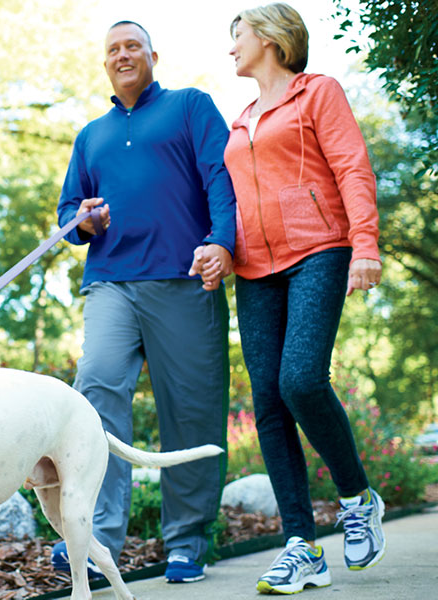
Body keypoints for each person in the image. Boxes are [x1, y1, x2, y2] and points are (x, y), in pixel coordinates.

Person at [196, 2, 384, 595]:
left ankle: (357, 496)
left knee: (301, 379)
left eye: (238, 35)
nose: (231, 47)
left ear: (272, 37)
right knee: (270, 403)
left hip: (319, 250)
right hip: (255, 270)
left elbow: (352, 167)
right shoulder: (241, 118)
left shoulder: (317, 93)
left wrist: (365, 244)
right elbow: (227, 202)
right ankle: (300, 546)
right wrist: (221, 249)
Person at [54, 20, 236, 584]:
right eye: (113, 49)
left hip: (184, 279)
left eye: (132, 45)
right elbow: (66, 216)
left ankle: (186, 541)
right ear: (104, 63)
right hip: (111, 280)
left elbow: (219, 178)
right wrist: (84, 222)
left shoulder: (189, 106)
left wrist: (222, 242)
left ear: (153, 55)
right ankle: (95, 536)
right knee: (96, 394)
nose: (122, 55)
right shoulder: (92, 135)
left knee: (191, 411)